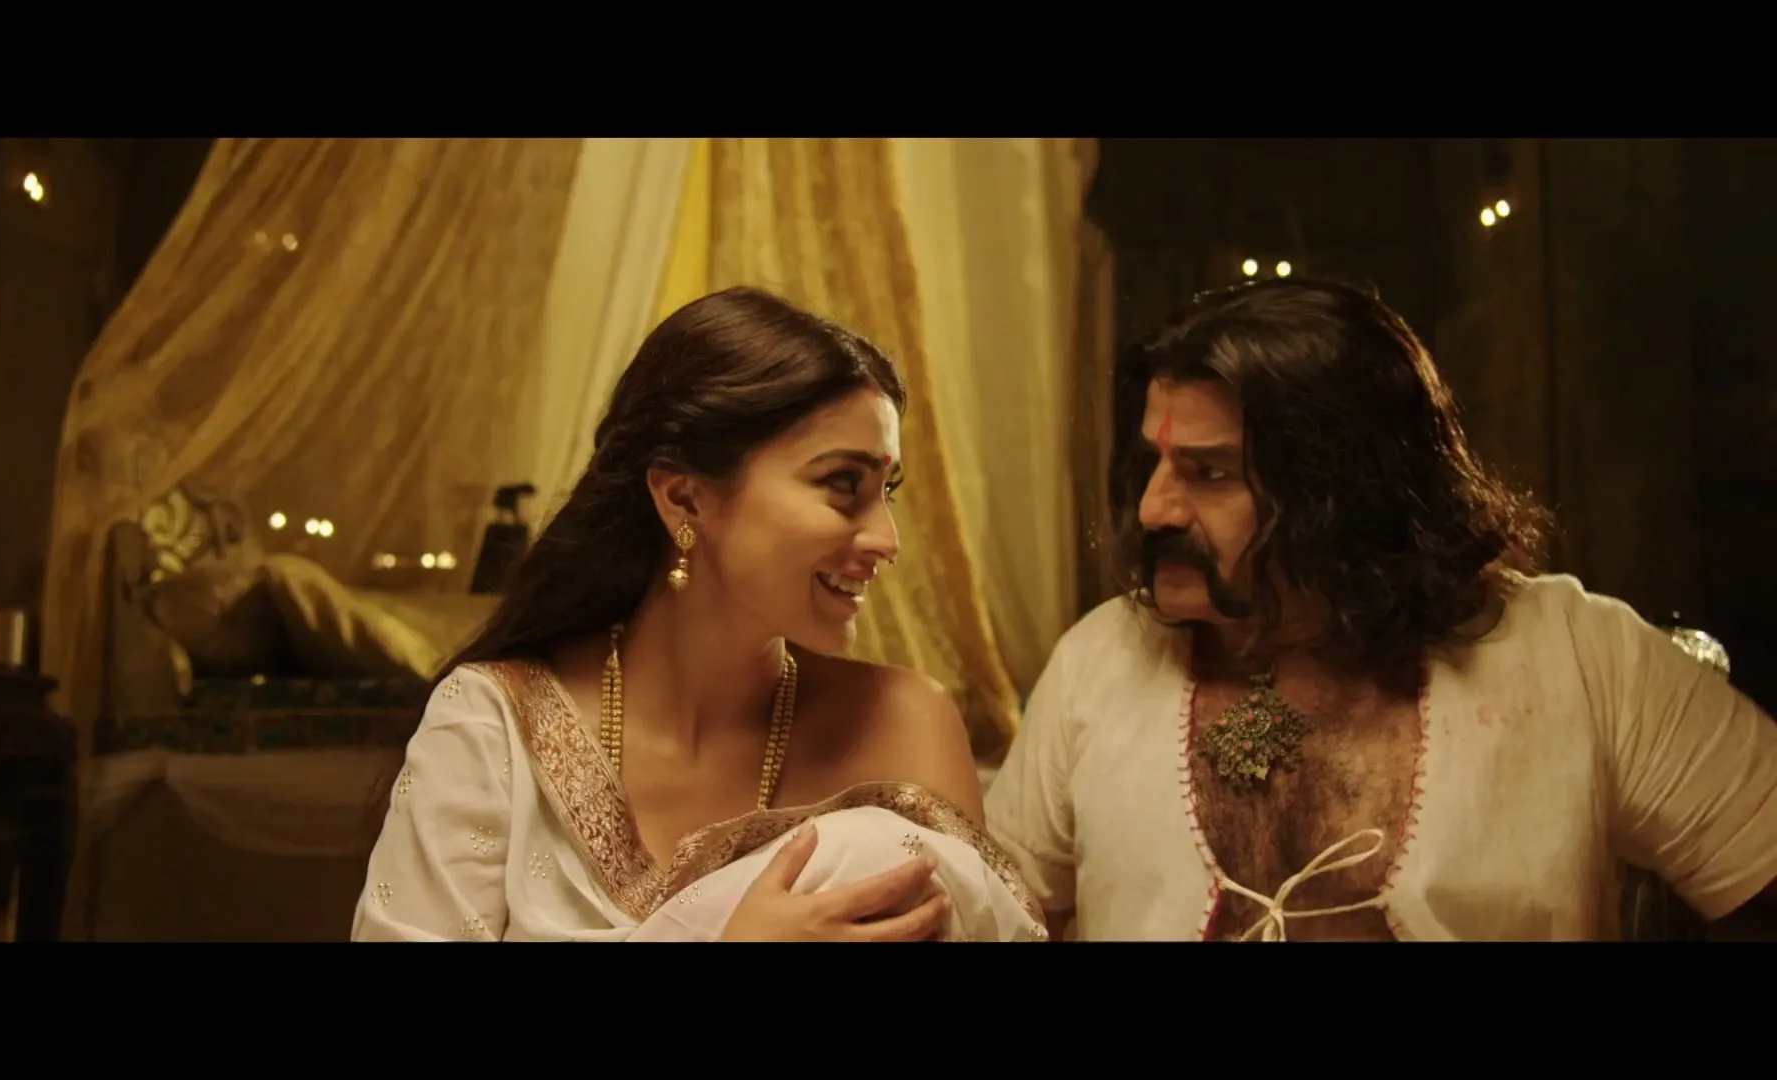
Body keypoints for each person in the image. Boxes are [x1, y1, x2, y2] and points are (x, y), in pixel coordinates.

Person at [984, 277, 1777, 941]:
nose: (1154, 509)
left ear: (1342, 491)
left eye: (1211, 473)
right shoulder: (1099, 663)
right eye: (1153, 465)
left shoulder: (1579, 656)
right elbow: (996, 919)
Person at [353, 286, 1045, 942]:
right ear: (684, 499)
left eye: (886, 490)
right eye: (843, 484)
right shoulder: (494, 728)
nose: (886, 540)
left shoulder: (904, 725)